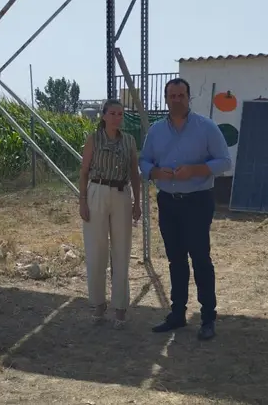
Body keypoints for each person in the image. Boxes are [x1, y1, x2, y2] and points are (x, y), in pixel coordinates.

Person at [138, 77, 231, 340]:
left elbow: (225, 161)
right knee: (175, 260)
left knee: (200, 259)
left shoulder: (206, 127)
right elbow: (143, 161)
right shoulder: (155, 131)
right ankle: (177, 314)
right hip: (168, 202)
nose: (176, 100)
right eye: (172, 96)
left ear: (189, 98)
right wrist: (154, 172)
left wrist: (196, 170)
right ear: (166, 99)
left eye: (181, 95)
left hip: (198, 201)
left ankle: (208, 318)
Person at [78, 99, 142, 328]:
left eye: (120, 113)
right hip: (97, 190)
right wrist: (82, 200)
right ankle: (98, 304)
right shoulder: (93, 139)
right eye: (113, 113)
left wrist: (137, 202)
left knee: (121, 250)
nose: (117, 117)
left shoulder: (129, 141)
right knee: (96, 249)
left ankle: (121, 307)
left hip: (121, 193)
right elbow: (84, 171)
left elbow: (135, 173)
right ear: (104, 116)